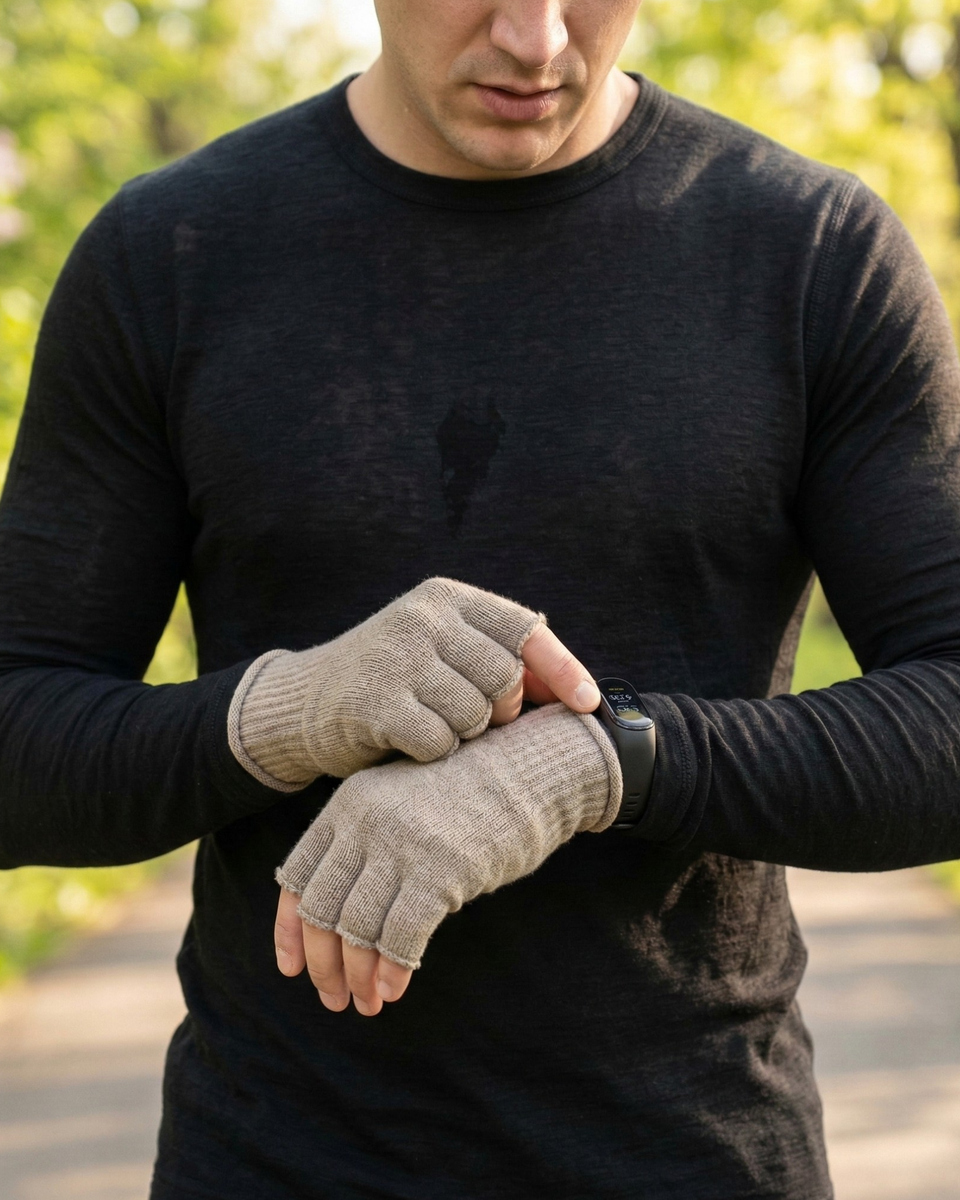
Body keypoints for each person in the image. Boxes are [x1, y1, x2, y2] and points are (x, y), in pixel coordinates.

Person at [1, 0, 959, 1196]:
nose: (537, 39)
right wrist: (290, 713)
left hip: (697, 1156)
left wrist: (595, 765)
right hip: (276, 1160)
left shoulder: (813, 252)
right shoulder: (171, 253)